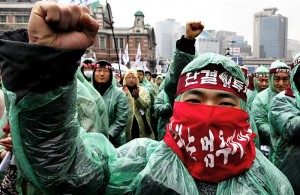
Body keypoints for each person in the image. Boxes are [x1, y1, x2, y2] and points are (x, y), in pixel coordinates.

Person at [0, 2, 294, 194]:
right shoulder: (141, 160)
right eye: (194, 100)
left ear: (243, 109)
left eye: (225, 103)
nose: (209, 111)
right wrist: (46, 66)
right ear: (178, 106)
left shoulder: (272, 184)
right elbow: (65, 175)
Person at [268, 53, 300, 194]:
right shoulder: (283, 99)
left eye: (284, 79)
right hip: (290, 172)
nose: (281, 83)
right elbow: (291, 128)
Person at [251, 60, 290, 157]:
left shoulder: (294, 96)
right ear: (271, 79)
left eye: (285, 79)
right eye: (277, 79)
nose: (281, 84)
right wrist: (279, 136)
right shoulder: (260, 98)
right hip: (267, 147)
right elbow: (259, 122)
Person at [92, 60, 129, 147]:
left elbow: (121, 120)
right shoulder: (87, 92)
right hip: (89, 141)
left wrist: (107, 136)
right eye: (98, 70)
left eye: (105, 71)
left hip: (112, 142)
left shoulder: (119, 95)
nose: (102, 74)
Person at [123, 69, 155, 141]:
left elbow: (147, 104)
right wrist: (124, 95)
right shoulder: (121, 91)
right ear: (125, 78)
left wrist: (137, 98)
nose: (131, 80)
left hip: (142, 123)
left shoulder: (143, 90)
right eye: (128, 77)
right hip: (126, 125)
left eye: (133, 77)